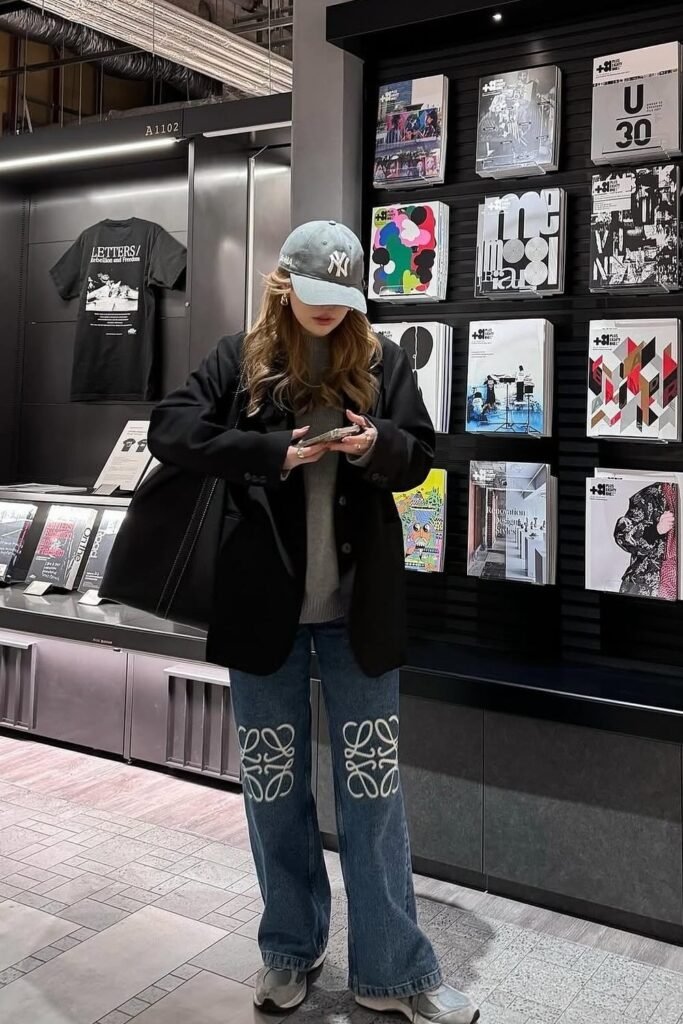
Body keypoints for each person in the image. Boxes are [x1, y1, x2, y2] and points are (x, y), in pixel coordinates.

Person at [147, 221, 479, 1024]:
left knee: (372, 794)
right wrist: (270, 454)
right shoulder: (241, 359)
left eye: (341, 297)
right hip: (263, 617)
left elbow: (422, 452)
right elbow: (171, 429)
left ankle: (391, 973)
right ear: (284, 283)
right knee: (273, 793)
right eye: (315, 294)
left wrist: (374, 446)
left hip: (357, 618)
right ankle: (288, 953)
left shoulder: (382, 361)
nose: (327, 311)